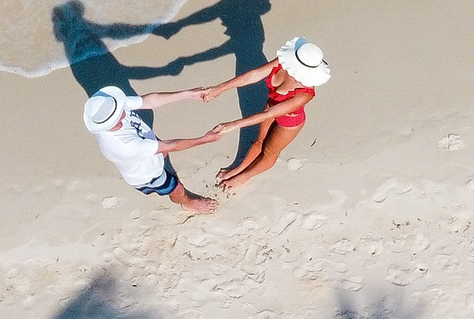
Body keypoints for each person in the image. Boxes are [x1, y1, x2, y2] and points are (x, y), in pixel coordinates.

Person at [197, 37, 331, 190]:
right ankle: (237, 169)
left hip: (290, 121)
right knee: (258, 142)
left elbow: (269, 114)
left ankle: (245, 176)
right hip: (271, 106)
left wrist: (233, 125)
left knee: (269, 152)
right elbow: (254, 75)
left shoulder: (305, 93)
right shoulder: (283, 62)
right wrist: (219, 88)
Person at [84, 86, 224, 213]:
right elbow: (170, 146)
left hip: (149, 150)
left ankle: (163, 164)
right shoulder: (123, 147)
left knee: (162, 152)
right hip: (147, 174)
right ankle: (187, 203)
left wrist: (188, 94)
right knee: (177, 188)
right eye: (119, 114)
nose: (124, 111)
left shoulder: (112, 107)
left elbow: (149, 101)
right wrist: (204, 139)